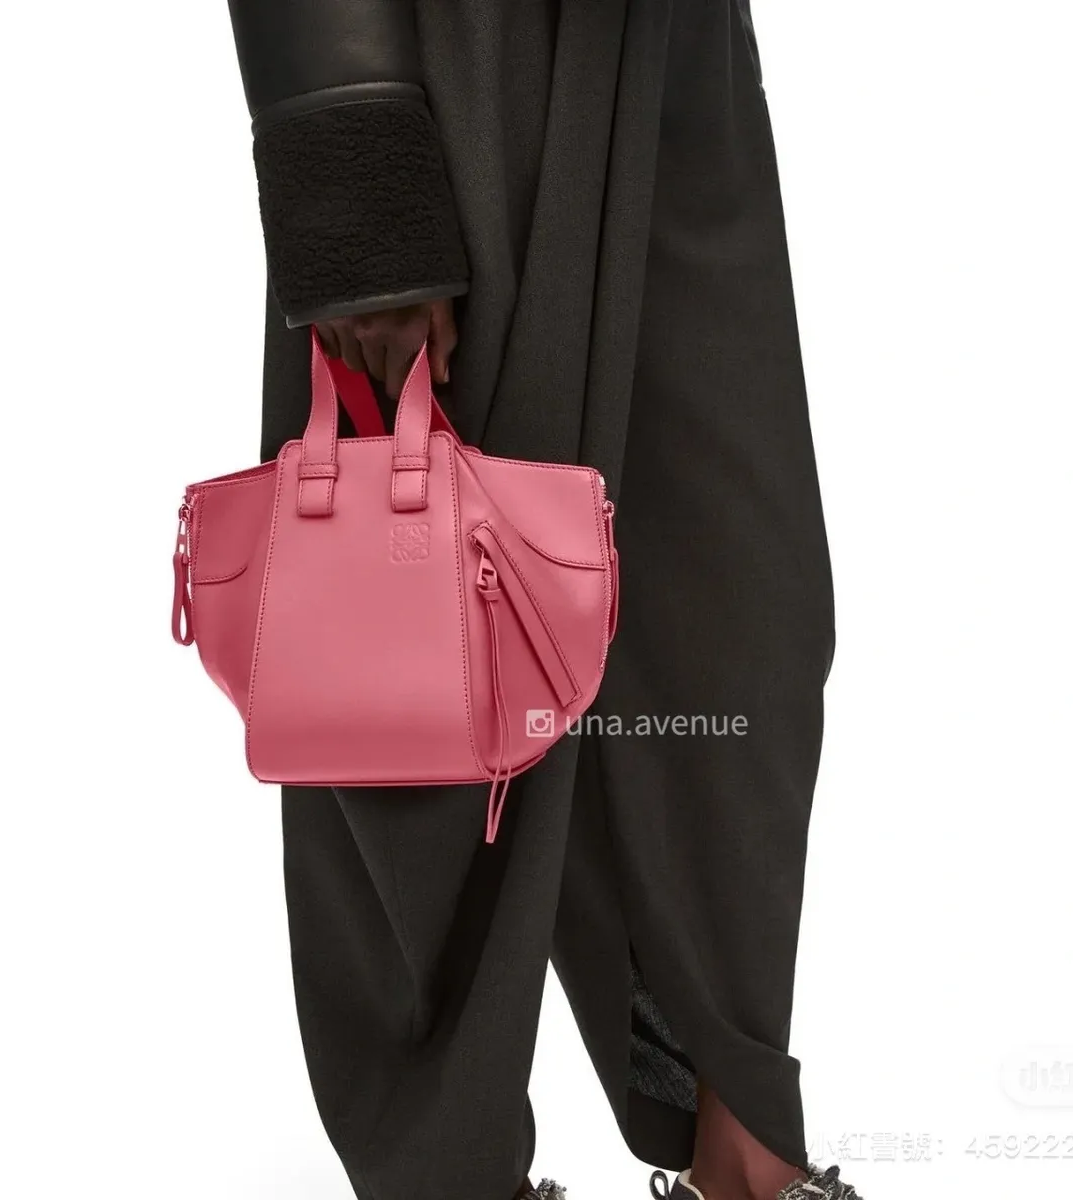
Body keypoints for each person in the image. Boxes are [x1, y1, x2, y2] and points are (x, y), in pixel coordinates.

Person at [224, 2, 856, 1198]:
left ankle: (741, 1152)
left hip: (673, 52)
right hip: (460, 50)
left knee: (738, 628)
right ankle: (448, 1179)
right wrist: (355, 183)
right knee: (424, 660)